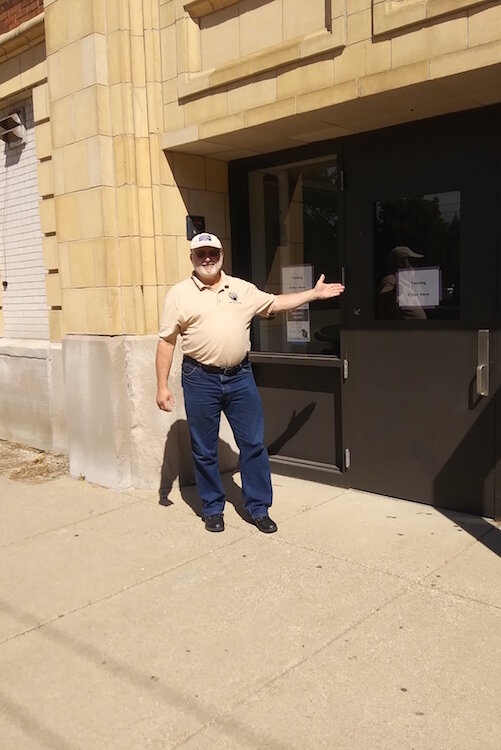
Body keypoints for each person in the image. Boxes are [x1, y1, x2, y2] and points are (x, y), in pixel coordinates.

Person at [156, 232, 344, 534]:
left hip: (240, 377)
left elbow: (276, 302)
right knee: (204, 449)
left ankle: (258, 508)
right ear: (192, 257)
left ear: (221, 256)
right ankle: (213, 508)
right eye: (201, 253)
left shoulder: (241, 289)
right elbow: (166, 341)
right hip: (199, 378)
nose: (207, 259)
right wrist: (161, 386)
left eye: (212, 253)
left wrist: (312, 294)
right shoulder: (178, 294)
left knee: (253, 444)